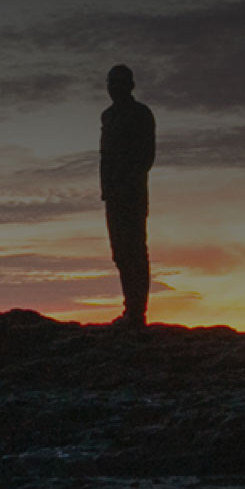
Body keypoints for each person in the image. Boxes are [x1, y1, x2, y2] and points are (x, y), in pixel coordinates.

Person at [99, 64, 156, 328]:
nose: (114, 88)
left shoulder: (141, 114)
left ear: (130, 86)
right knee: (120, 253)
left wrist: (128, 182)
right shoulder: (107, 116)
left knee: (135, 250)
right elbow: (105, 156)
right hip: (112, 195)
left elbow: (146, 155)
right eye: (111, 83)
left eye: (119, 83)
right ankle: (129, 309)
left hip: (132, 194)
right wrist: (108, 189)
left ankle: (137, 312)